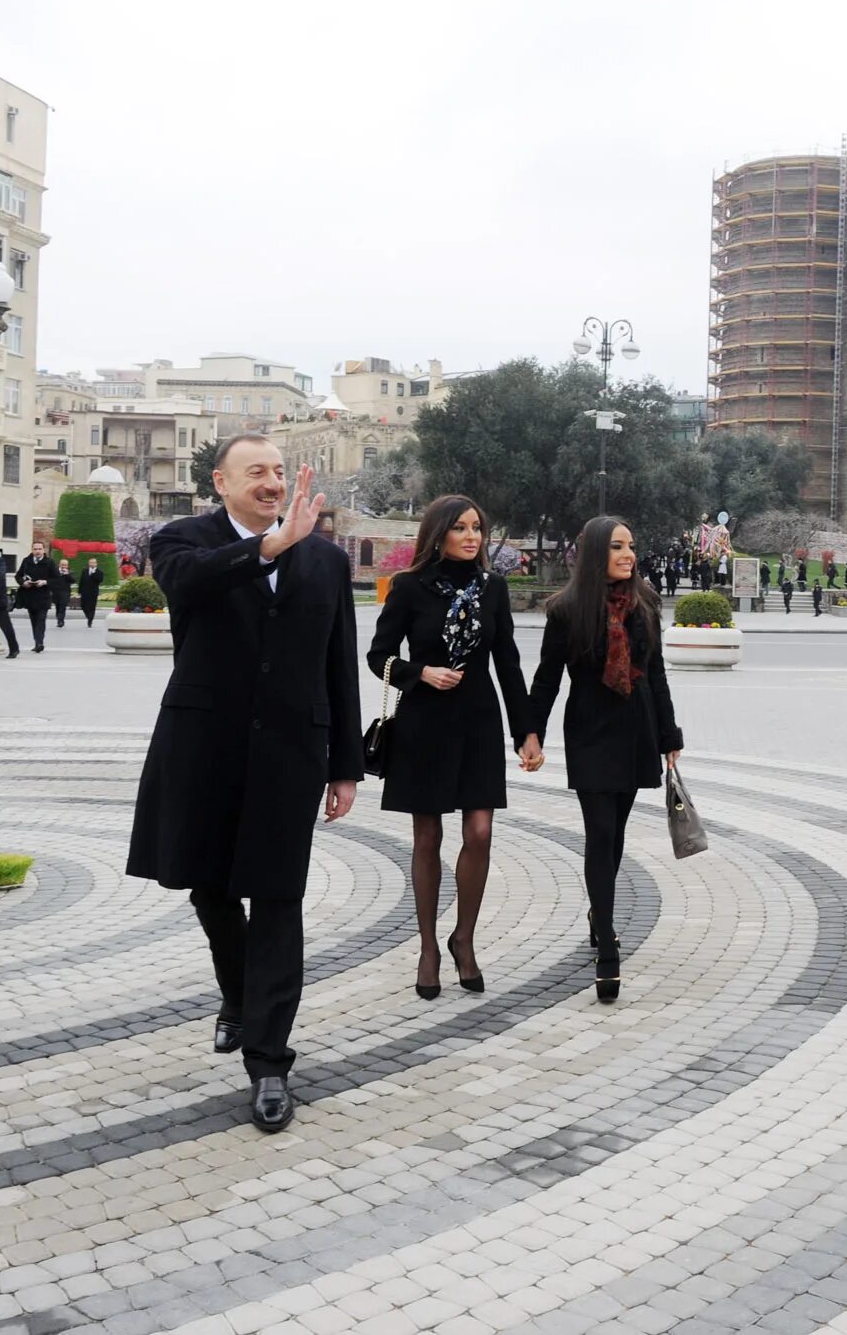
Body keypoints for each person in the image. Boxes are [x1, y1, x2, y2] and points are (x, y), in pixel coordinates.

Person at [126, 437, 363, 1134]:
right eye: (256, 472)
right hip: (205, 747)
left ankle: (269, 1062)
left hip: (292, 752)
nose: (272, 482)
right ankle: (238, 995)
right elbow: (188, 584)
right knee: (212, 889)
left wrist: (345, 764)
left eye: (280, 472)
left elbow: (338, 662)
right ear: (220, 481)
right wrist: (266, 548)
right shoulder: (180, 541)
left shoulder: (322, 557)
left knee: (280, 899)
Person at [367, 496, 542, 1000]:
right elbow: (378, 655)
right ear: (438, 533)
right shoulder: (409, 588)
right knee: (427, 838)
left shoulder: (494, 589)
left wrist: (526, 732)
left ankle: (463, 938)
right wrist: (420, 673)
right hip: (424, 723)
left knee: (481, 831)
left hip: (479, 722)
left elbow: (508, 664)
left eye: (478, 528)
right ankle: (427, 948)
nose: (472, 537)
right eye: (461, 528)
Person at [527, 515, 684, 1005]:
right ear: (597, 553)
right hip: (591, 732)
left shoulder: (646, 603)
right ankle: (608, 947)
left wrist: (669, 735)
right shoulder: (567, 609)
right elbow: (547, 677)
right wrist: (531, 733)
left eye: (631, 546)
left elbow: (655, 674)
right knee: (599, 833)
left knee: (615, 834)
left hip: (636, 729)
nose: (628, 555)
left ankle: (600, 913)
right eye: (617, 547)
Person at [14, 539, 57, 653]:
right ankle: (37, 641)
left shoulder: (50, 562)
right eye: (35, 549)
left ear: (44, 550)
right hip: (30, 596)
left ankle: (40, 642)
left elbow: (57, 579)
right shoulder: (26, 561)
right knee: (34, 620)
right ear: (32, 550)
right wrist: (23, 583)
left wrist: (45, 582)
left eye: (40, 549)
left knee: (41, 620)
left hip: (43, 596)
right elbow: (18, 575)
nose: (37, 551)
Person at [78, 557, 105, 628]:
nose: (92, 564)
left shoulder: (99, 572)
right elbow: (81, 581)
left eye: (93, 562)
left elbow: (100, 580)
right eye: (91, 562)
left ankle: (90, 620)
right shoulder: (85, 571)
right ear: (88, 563)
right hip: (84, 591)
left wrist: (93, 573)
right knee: (83, 605)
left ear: (96, 564)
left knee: (92, 607)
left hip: (93, 592)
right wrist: (79, 591)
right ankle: (88, 616)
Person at [51, 559, 74, 628]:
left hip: (65, 592)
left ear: (67, 565)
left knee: (62, 607)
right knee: (58, 607)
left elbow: (73, 581)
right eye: (62, 564)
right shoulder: (54, 571)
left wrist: (67, 575)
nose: (64, 566)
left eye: (65, 565)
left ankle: (61, 621)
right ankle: (59, 619)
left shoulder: (69, 572)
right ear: (59, 564)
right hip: (56, 592)